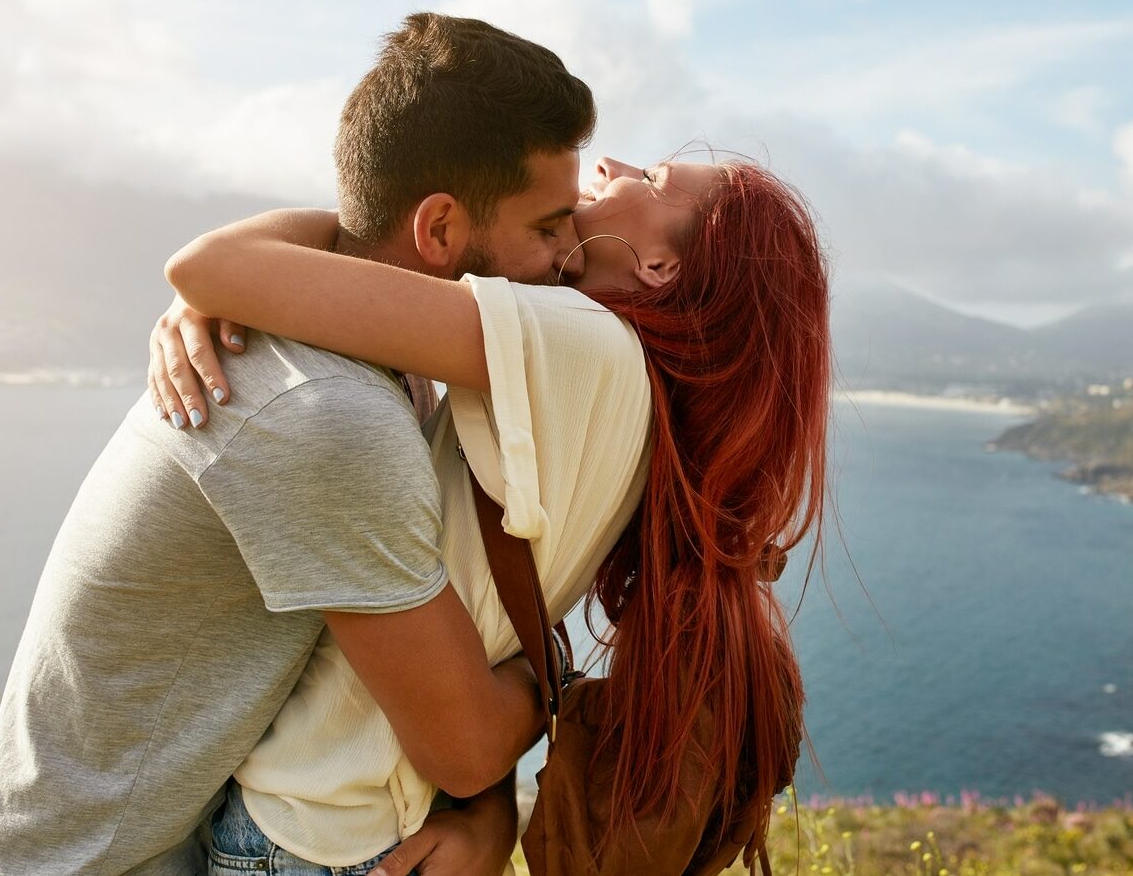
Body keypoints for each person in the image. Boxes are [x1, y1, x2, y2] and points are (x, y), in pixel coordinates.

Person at [0, 13, 594, 876]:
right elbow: (463, 744)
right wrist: (553, 680)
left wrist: (486, 816)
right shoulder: (330, 412)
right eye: (547, 227)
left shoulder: (379, 361)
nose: (570, 255)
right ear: (437, 232)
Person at [149, 149, 832, 872]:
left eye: (657, 180)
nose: (613, 162)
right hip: (369, 829)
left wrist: (219, 296)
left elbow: (211, 267)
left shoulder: (583, 343)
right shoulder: (630, 395)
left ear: (660, 268)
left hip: (315, 834)